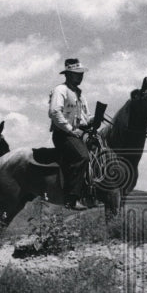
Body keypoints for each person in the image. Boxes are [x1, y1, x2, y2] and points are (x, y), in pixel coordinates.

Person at [48, 58, 92, 210]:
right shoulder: (60, 90)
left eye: (81, 74)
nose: (80, 76)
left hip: (77, 133)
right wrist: (72, 130)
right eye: (76, 73)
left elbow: (85, 118)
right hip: (63, 135)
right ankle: (71, 198)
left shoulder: (80, 94)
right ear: (67, 74)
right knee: (82, 156)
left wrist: (95, 119)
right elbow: (54, 112)